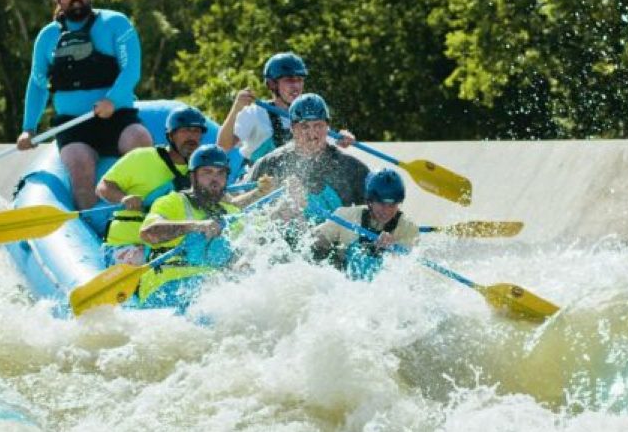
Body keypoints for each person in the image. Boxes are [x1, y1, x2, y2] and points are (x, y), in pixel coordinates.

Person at [17, 0, 152, 208]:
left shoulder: (115, 23)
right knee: (79, 166)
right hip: (73, 124)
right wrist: (28, 128)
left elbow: (131, 69)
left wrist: (113, 99)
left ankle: (151, 210)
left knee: (139, 139)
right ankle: (94, 228)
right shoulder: (47, 37)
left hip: (117, 115)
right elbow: (38, 85)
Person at [96, 105, 209, 265]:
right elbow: (103, 186)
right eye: (185, 131)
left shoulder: (202, 170)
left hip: (170, 249)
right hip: (126, 245)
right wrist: (123, 198)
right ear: (171, 135)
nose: (192, 137)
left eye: (196, 131)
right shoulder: (141, 157)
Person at [137, 145, 241, 307]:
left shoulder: (230, 211)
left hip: (210, 289)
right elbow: (148, 233)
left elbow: (251, 243)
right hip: (165, 289)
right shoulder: (171, 202)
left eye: (221, 173)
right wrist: (196, 226)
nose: (215, 179)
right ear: (193, 177)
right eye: (207, 172)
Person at [250, 93, 369, 226]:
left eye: (318, 125)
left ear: (327, 127)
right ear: (292, 129)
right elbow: (246, 214)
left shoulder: (353, 169)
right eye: (305, 126)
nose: (312, 133)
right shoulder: (269, 164)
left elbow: (371, 217)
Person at [311, 168, 419, 279]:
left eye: (392, 205)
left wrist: (392, 250)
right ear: (370, 201)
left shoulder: (409, 229)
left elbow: (406, 269)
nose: (386, 211)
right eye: (381, 204)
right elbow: (313, 242)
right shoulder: (345, 216)